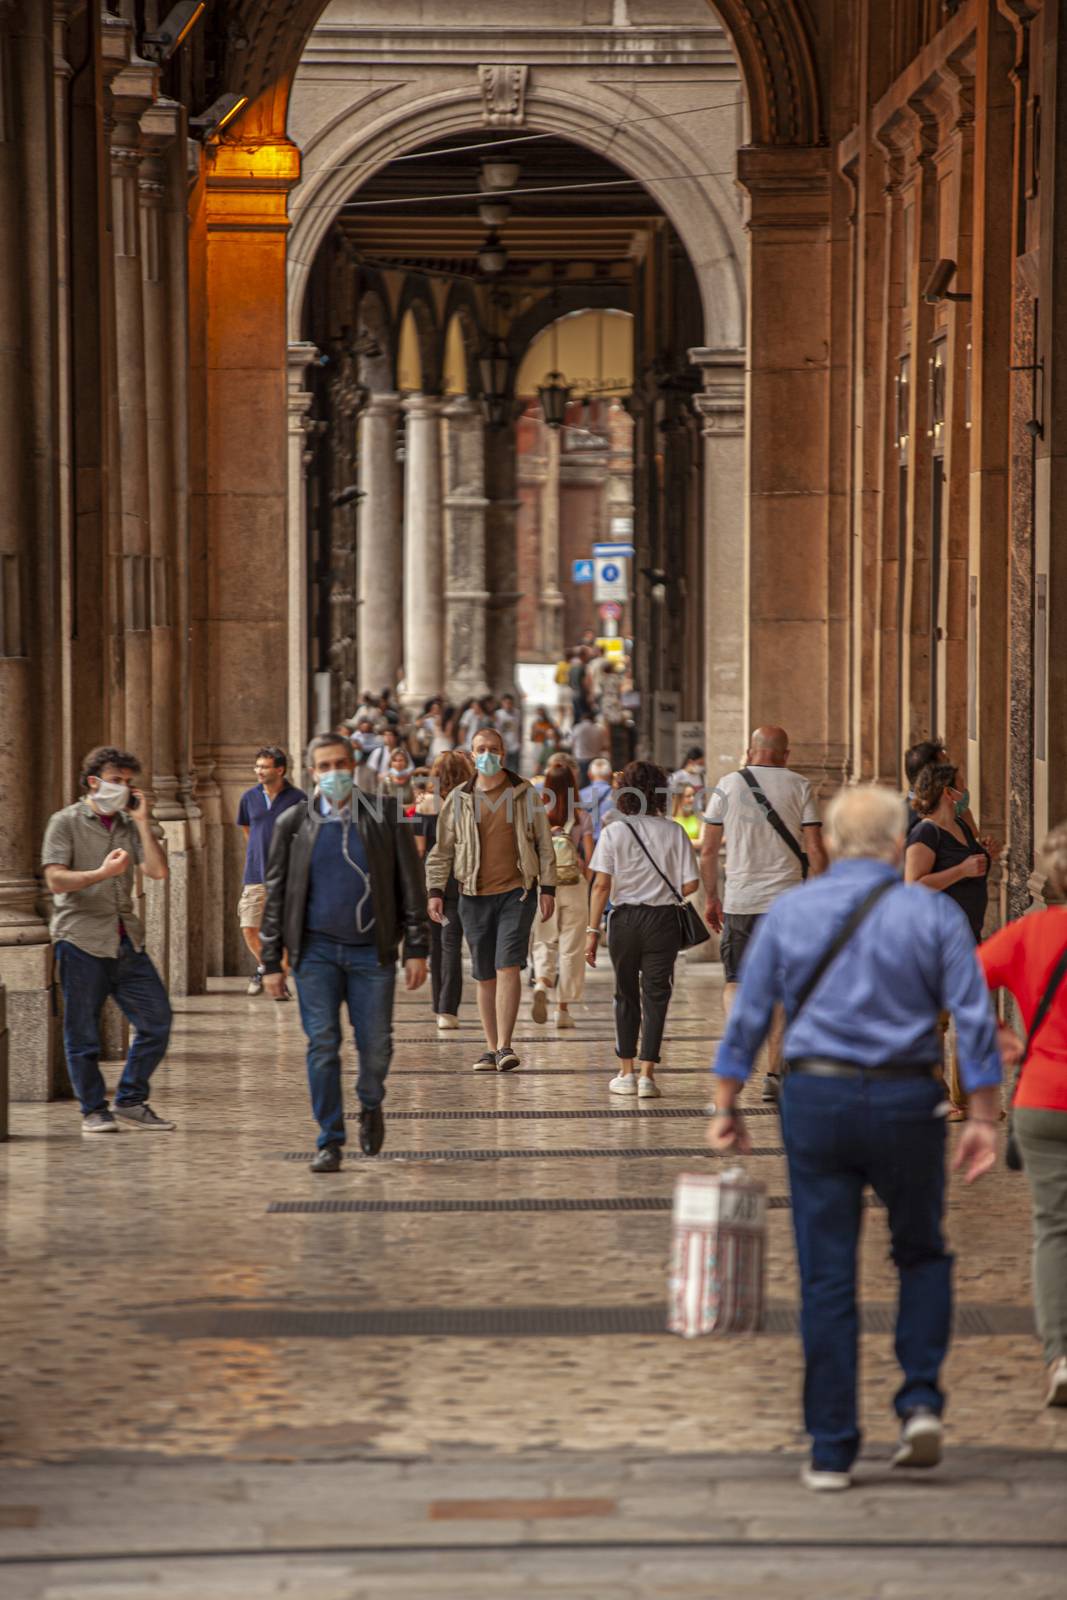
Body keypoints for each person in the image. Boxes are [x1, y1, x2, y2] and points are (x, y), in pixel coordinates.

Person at [709, 785, 1002, 1492]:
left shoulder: (792, 910)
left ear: (834, 841)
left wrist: (726, 1100)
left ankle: (831, 1445)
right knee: (921, 1251)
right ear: (898, 840)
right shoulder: (931, 912)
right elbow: (971, 1013)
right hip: (908, 1096)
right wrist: (986, 1116)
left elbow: (751, 1011)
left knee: (826, 1270)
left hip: (817, 1099)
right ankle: (921, 1402)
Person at [259, 733, 429, 1171]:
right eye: (324, 766)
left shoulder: (384, 814)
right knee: (323, 1044)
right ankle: (329, 1139)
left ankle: (370, 1100)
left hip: (371, 954)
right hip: (314, 953)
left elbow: (411, 882)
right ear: (311, 772)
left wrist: (416, 946)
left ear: (353, 766)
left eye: (340, 764)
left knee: (375, 1048)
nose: (333, 773)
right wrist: (269, 960)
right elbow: (275, 893)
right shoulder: (293, 823)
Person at [41, 746, 175, 1135]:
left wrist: (143, 820)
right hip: (79, 938)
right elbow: (55, 880)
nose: (124, 789)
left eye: (129, 783)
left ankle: (131, 1099)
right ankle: (93, 1110)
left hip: (125, 938)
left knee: (157, 1022)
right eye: (117, 781)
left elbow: (157, 870)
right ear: (93, 782)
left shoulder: (127, 825)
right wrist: (100, 873)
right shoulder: (64, 822)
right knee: (82, 1031)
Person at [978, 822, 1067, 1409]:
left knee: (1054, 1229)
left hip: (1041, 1097)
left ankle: (1061, 1357)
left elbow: (954, 981)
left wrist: (1001, 1035)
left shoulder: (1028, 931)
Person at [701, 725, 828, 1103]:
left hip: (741, 901)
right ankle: (774, 1073)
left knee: (736, 980)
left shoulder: (727, 784)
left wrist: (711, 897)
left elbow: (708, 852)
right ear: (785, 755)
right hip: (789, 903)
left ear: (749, 751)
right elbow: (816, 849)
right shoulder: (800, 785)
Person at [426, 725, 556, 1072]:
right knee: (484, 974)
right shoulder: (459, 798)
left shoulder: (524, 794)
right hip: (472, 895)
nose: (487, 755)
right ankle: (489, 1046)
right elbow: (442, 850)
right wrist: (435, 891)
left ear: (503, 753)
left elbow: (544, 844)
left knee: (508, 965)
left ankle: (505, 1046)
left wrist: (548, 887)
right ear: (472, 755)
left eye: (493, 749)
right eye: (481, 749)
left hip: (517, 893)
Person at [586, 761, 699, 1099]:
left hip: (624, 921)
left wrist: (592, 931)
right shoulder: (675, 831)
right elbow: (690, 884)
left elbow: (601, 886)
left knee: (625, 994)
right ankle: (648, 1075)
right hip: (663, 921)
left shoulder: (613, 832)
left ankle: (626, 1072)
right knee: (657, 995)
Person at [236, 746, 306, 997]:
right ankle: (267, 966)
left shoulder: (299, 799)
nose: (259, 771)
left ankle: (277, 974)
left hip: (287, 876)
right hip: (255, 873)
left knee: (287, 931)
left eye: (264, 767)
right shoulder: (249, 797)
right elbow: (247, 828)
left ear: (280, 769)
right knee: (249, 926)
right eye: (257, 766)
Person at [531, 766, 593, 1030]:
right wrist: (584, 881)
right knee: (571, 946)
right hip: (574, 885)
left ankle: (542, 982)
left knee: (545, 939)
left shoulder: (538, 815)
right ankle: (562, 1009)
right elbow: (590, 858)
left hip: (545, 886)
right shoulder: (582, 817)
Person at [416, 750, 474, 1031]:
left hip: (433, 882)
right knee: (452, 944)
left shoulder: (426, 803)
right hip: (460, 881)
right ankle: (448, 1009)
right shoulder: (469, 801)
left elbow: (419, 848)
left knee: (437, 944)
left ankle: (439, 1004)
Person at [905, 763, 992, 942]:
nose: (966, 790)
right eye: (961, 785)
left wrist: (986, 853)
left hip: (968, 934)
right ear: (947, 792)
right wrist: (961, 870)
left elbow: (969, 863)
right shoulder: (926, 832)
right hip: (940, 939)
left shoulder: (960, 825)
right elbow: (913, 886)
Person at [580, 755, 615, 844]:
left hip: (587, 843)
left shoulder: (580, 795)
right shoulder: (617, 795)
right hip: (609, 842)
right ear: (610, 774)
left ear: (589, 775)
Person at [569, 711, 609, 786]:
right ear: (593, 719)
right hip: (595, 759)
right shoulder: (599, 729)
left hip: (581, 759)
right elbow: (605, 746)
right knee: (595, 782)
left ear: (582, 719)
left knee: (582, 783)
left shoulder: (577, 728)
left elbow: (572, 743)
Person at [495, 692, 522, 774]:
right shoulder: (498, 714)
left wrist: (520, 742)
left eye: (510, 703)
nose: (508, 705)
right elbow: (497, 729)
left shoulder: (517, 713)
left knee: (514, 768)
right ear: (502, 703)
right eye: (506, 703)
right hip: (503, 745)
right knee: (503, 767)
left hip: (515, 744)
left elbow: (520, 727)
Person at [531, 706, 561, 774]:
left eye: (542, 713)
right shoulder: (535, 723)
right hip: (538, 745)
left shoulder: (550, 722)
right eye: (539, 714)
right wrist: (536, 732)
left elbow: (557, 733)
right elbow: (532, 738)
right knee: (537, 764)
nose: (540, 715)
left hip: (548, 746)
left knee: (547, 764)